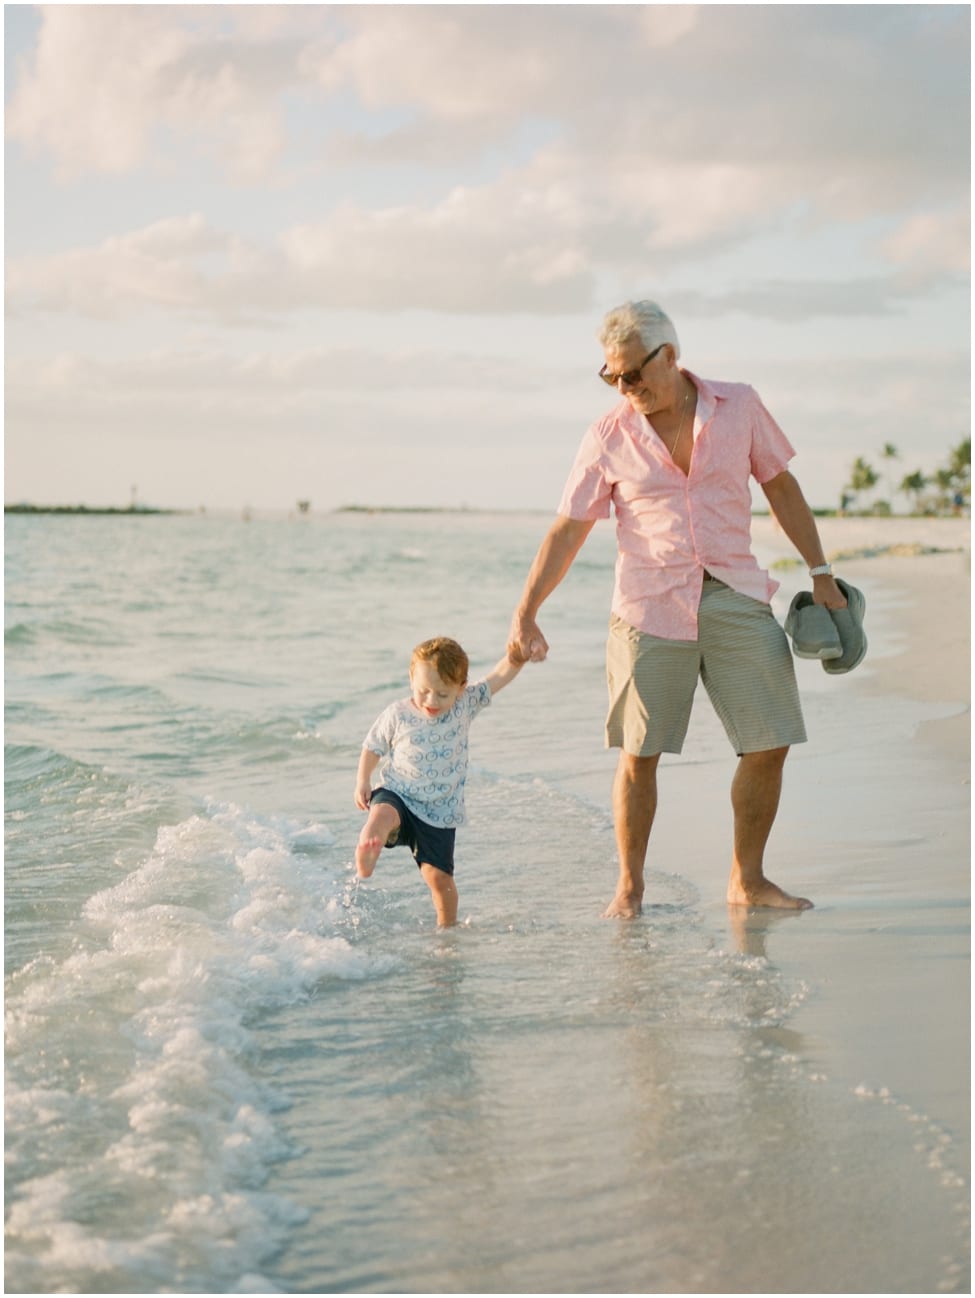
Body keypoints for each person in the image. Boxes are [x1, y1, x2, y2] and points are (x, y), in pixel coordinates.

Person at [507, 299, 847, 918]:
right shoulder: (607, 436)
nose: (624, 386)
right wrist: (526, 610)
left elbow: (781, 487)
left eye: (633, 372)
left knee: (770, 741)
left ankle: (747, 879)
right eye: (611, 376)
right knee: (640, 755)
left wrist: (821, 574)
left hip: (735, 594)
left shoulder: (738, 405)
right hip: (648, 608)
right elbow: (567, 530)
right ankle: (630, 889)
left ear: (670, 355)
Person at [354, 636, 525, 927]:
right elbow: (373, 747)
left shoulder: (466, 705)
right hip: (399, 792)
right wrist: (363, 780)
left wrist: (516, 658)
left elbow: (498, 677)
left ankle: (447, 931)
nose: (431, 701)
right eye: (424, 691)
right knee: (382, 815)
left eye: (443, 694)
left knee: (440, 879)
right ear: (411, 679)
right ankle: (370, 847)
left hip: (440, 812)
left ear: (460, 689)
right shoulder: (398, 714)